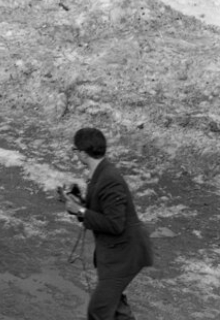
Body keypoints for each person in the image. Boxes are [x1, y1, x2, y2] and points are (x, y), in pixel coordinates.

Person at [64, 127, 154, 320]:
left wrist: (80, 211)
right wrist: (79, 202)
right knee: (116, 308)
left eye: (75, 150)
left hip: (125, 256)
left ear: (82, 153)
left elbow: (115, 224)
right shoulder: (101, 173)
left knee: (98, 311)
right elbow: (102, 212)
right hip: (117, 255)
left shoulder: (109, 179)